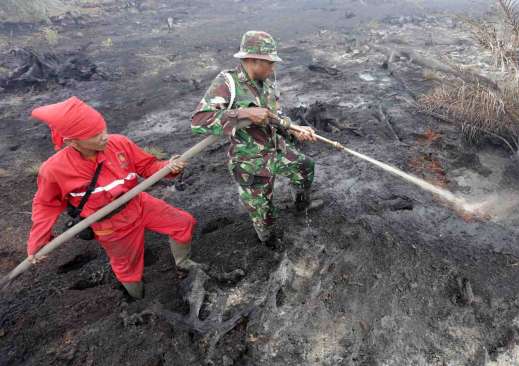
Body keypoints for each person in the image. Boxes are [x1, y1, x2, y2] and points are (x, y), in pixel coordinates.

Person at [27, 96, 200, 299]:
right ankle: (138, 298)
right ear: (72, 141)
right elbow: (46, 205)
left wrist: (168, 168)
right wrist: (38, 242)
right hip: (110, 225)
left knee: (183, 223)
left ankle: (184, 264)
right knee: (128, 266)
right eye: (94, 134)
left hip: (139, 203)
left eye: (103, 129)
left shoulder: (119, 143)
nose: (104, 137)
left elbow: (147, 166)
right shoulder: (55, 169)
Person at [191, 30, 318, 247]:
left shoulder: (268, 80)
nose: (273, 67)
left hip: (275, 148)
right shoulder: (227, 82)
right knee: (263, 212)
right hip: (249, 162)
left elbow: (274, 116)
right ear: (252, 60)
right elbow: (198, 122)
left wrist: (293, 130)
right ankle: (268, 240)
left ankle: (300, 206)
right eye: (269, 62)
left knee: (305, 167)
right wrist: (242, 113)